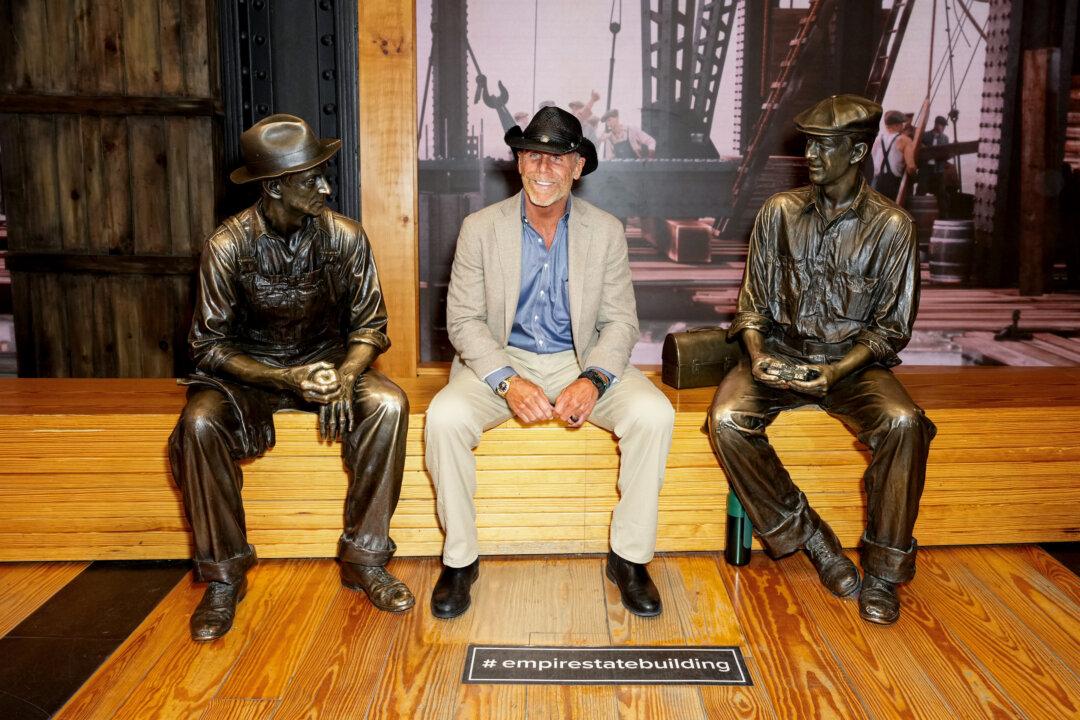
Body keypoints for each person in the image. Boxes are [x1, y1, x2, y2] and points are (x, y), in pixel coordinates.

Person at [169, 114, 414, 641]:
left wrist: (347, 374)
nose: (325, 186)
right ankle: (224, 574)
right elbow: (207, 347)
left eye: (324, 174)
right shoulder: (227, 246)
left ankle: (365, 559)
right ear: (274, 186)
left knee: (389, 405)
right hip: (249, 373)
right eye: (310, 179)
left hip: (329, 365)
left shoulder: (346, 238)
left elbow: (371, 326)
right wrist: (286, 378)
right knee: (198, 426)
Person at [425, 107, 674, 619]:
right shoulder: (479, 229)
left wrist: (595, 379)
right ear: (518, 162)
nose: (544, 168)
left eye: (557, 158)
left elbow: (622, 323)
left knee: (655, 414)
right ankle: (460, 560)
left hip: (579, 357)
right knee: (444, 418)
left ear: (577, 167)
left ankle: (628, 558)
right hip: (501, 356)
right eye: (533, 155)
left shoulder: (605, 231)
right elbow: (464, 322)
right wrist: (507, 381)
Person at [708, 95, 935, 625]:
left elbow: (890, 330)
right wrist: (759, 357)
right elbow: (752, 307)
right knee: (726, 420)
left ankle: (883, 570)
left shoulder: (892, 227)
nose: (810, 154)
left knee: (904, 423)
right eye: (808, 142)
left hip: (853, 367)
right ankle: (812, 539)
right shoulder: (778, 213)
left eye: (824, 145)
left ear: (856, 150)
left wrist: (835, 371)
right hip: (781, 354)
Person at [870, 110, 916, 201]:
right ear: (896, 125)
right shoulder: (904, 140)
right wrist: (915, 175)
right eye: (901, 124)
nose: (903, 126)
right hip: (892, 184)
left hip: (876, 183)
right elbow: (910, 166)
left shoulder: (876, 140)